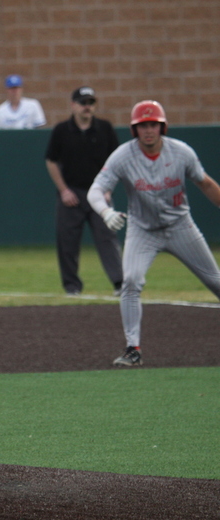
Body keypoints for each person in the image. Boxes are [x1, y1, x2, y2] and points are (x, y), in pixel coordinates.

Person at [87, 100, 220, 367]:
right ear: (135, 130)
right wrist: (106, 212)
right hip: (142, 230)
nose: (149, 130)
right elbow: (95, 190)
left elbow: (204, 182)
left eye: (153, 124)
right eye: (143, 125)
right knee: (131, 282)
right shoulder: (123, 156)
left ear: (162, 127)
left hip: (181, 226)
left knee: (216, 281)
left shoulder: (181, 152)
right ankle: (132, 349)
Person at [45, 87, 122, 296]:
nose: (87, 107)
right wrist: (63, 190)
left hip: (99, 193)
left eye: (90, 102)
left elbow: (115, 161)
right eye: (83, 102)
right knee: (67, 242)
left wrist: (108, 189)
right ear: (73, 105)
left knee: (108, 239)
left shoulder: (105, 128)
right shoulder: (62, 130)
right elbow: (51, 160)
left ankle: (119, 283)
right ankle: (72, 287)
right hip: (72, 194)